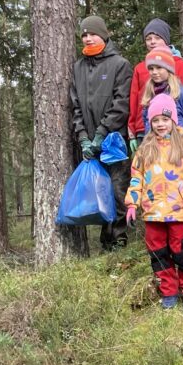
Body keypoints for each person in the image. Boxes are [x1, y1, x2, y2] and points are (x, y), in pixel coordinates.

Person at [125, 93, 183, 309]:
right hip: (152, 213)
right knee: (158, 254)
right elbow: (136, 178)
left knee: (182, 252)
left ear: (173, 120)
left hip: (178, 211)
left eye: (165, 119)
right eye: (155, 120)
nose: (160, 124)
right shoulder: (144, 149)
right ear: (150, 122)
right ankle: (169, 292)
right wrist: (132, 203)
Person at [71, 14, 133, 251]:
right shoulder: (78, 67)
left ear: (104, 35)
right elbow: (75, 105)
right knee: (98, 191)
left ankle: (119, 239)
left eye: (92, 33)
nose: (88, 38)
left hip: (113, 141)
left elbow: (122, 103)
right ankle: (105, 241)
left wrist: (101, 134)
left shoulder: (120, 65)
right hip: (90, 144)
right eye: (84, 34)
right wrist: (84, 138)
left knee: (117, 189)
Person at [139, 47, 183, 144]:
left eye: (159, 67)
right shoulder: (149, 93)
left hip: (179, 148)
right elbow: (146, 121)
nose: (154, 72)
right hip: (155, 148)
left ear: (169, 69)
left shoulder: (180, 92)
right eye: (151, 69)